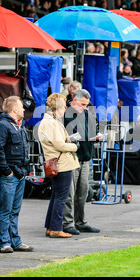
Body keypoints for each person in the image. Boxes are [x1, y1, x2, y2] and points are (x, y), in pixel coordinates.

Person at [0, 96, 33, 252]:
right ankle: (3, 242)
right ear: (14, 109)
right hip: (9, 175)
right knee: (5, 210)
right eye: (22, 106)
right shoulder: (2, 126)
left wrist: (24, 170)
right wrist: (7, 172)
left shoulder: (19, 126)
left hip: (19, 174)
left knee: (14, 210)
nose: (24, 109)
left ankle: (15, 241)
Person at [38, 93, 79, 238]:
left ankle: (51, 227)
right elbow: (59, 144)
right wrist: (74, 146)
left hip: (57, 163)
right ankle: (55, 228)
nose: (66, 108)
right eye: (64, 106)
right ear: (59, 107)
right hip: (62, 164)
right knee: (61, 197)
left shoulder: (50, 121)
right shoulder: (51, 122)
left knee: (56, 196)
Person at [63, 89, 100, 235]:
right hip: (72, 156)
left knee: (82, 192)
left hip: (85, 156)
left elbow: (91, 131)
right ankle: (68, 223)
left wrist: (95, 135)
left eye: (86, 104)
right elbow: (66, 135)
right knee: (70, 193)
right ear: (74, 100)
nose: (85, 107)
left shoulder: (87, 113)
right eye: (83, 104)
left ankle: (80, 221)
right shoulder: (66, 114)